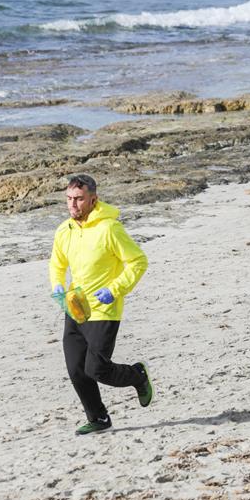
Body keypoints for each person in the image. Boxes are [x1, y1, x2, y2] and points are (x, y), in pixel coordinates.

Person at [49, 174, 152, 435]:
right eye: (69, 199)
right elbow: (57, 264)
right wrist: (57, 285)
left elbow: (138, 261)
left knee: (96, 369)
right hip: (76, 308)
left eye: (79, 199)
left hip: (105, 310)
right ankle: (98, 418)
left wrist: (115, 289)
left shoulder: (110, 229)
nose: (72, 204)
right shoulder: (64, 230)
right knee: (76, 370)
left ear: (93, 200)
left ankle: (137, 375)